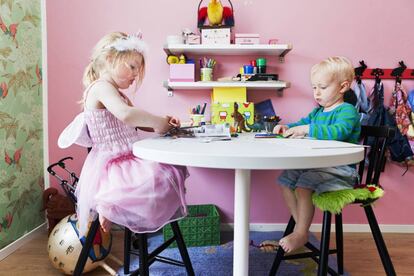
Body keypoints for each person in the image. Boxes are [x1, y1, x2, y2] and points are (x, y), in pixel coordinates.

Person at [58, 32, 188, 236]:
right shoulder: (101, 88)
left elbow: (134, 122)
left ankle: (114, 207)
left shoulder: (117, 94)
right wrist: (158, 122)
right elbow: (126, 115)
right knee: (155, 175)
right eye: (132, 67)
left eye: (138, 69)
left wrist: (161, 122)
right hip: (113, 164)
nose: (135, 75)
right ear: (110, 60)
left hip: (129, 156)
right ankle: (107, 205)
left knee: (170, 169)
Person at [273, 56, 361, 253]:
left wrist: (307, 130)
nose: (317, 92)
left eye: (322, 87)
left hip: (342, 171)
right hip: (321, 167)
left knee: (304, 184)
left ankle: (300, 232)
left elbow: (339, 132)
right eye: (314, 87)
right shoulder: (318, 112)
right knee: (285, 179)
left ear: (343, 87)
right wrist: (288, 126)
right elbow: (302, 123)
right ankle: (301, 229)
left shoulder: (347, 111)